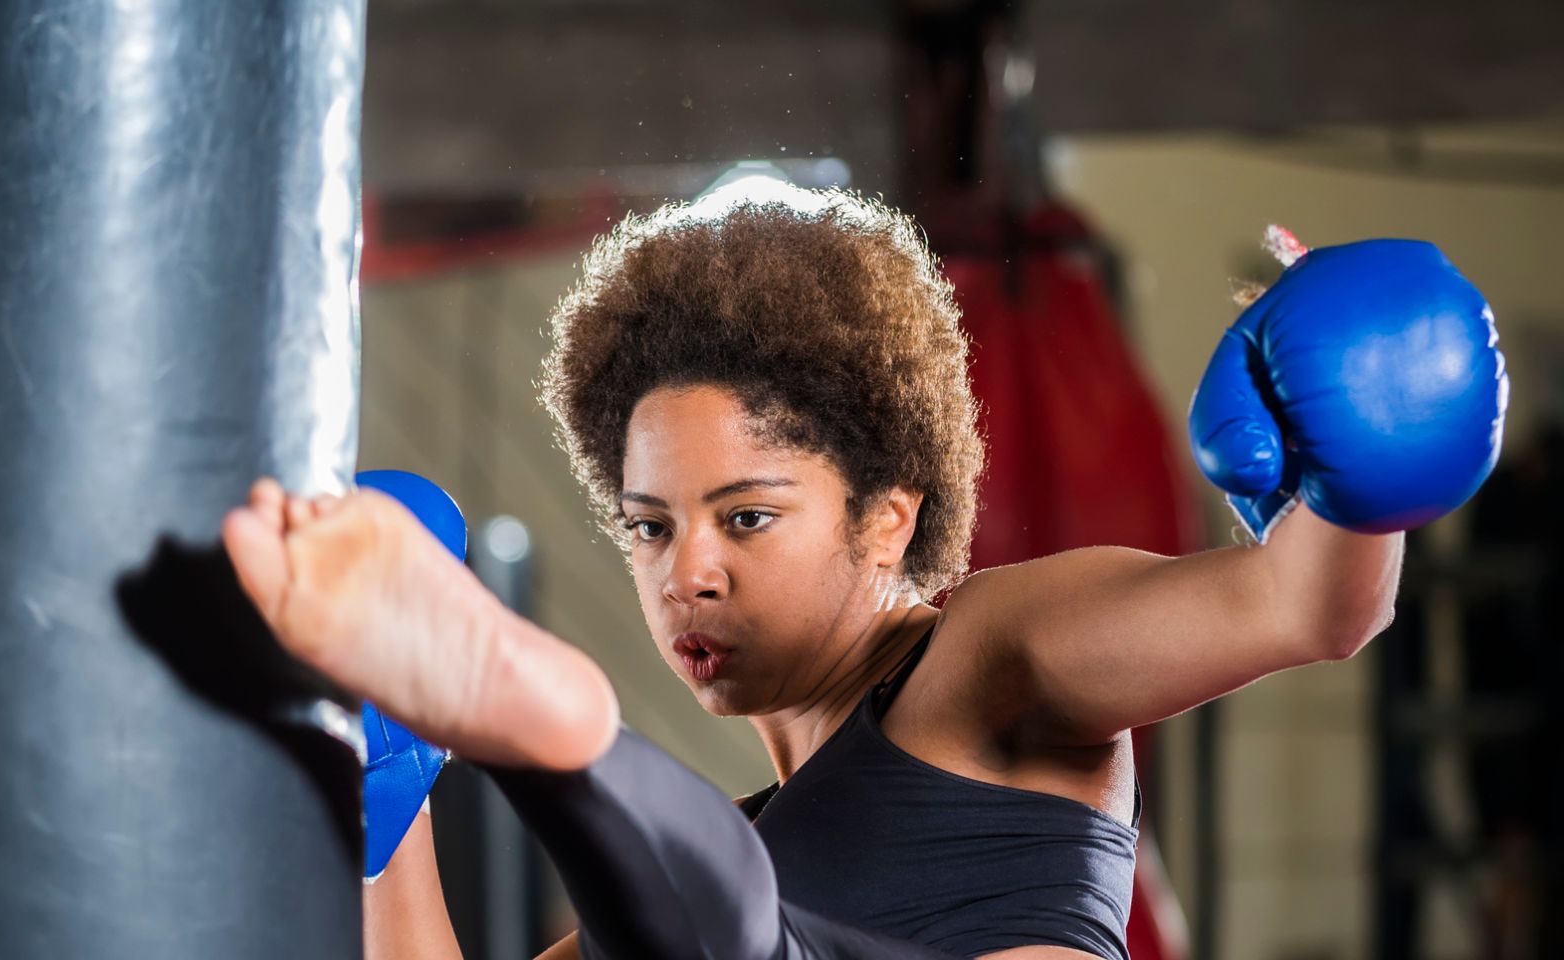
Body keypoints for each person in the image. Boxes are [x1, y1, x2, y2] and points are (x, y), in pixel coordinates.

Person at [223, 189, 1507, 959]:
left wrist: (1365, 468)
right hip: (718, 923)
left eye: (748, 518)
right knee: (714, 917)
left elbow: (1306, 608)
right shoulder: (684, 874)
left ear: (889, 519)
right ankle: (507, 723)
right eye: (652, 527)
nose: (691, 575)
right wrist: (380, 797)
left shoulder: (984, 663)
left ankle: (538, 726)